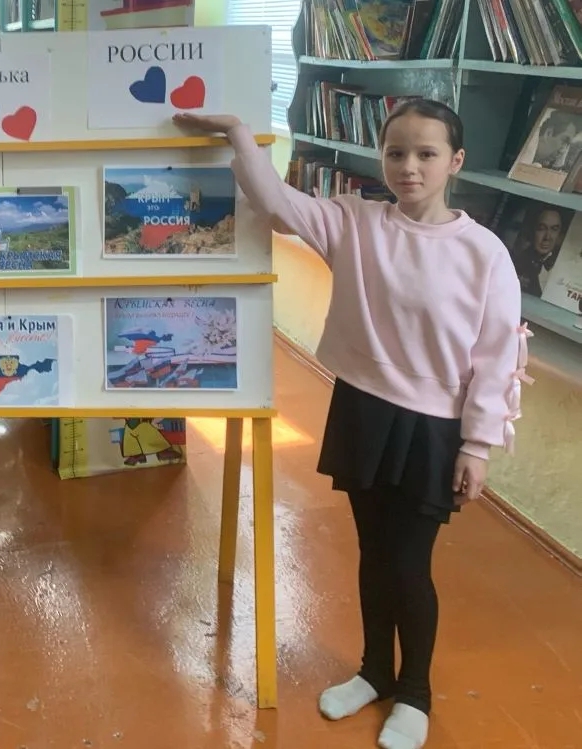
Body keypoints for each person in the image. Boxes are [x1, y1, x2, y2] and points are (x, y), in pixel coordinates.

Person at [175, 100, 527, 749]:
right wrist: (236, 134)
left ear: (455, 161)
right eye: (396, 152)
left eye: (426, 153)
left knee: (408, 564)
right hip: (365, 409)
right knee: (373, 551)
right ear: (381, 157)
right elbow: (276, 202)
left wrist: (477, 445)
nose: (409, 166)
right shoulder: (355, 222)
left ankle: (414, 693)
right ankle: (374, 671)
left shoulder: (485, 253)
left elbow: (496, 356)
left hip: (433, 428)